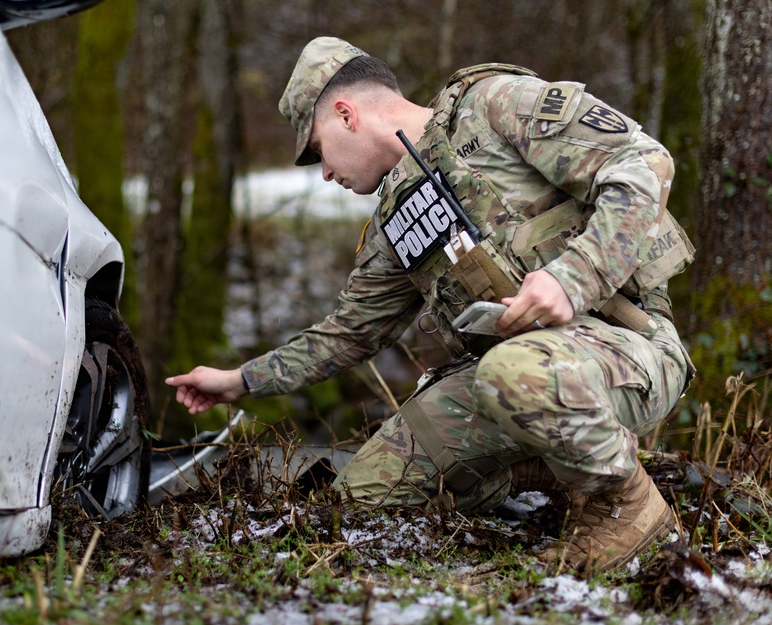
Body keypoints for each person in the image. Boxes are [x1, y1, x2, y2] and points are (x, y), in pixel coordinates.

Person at [166, 36, 695, 573]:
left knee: (513, 371)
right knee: (362, 498)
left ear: (345, 114)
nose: (324, 173)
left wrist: (572, 279)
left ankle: (627, 502)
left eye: (318, 151)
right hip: (510, 381)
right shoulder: (397, 219)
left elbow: (644, 162)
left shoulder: (495, 105)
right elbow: (351, 332)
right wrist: (241, 380)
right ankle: (551, 468)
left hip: (629, 351)